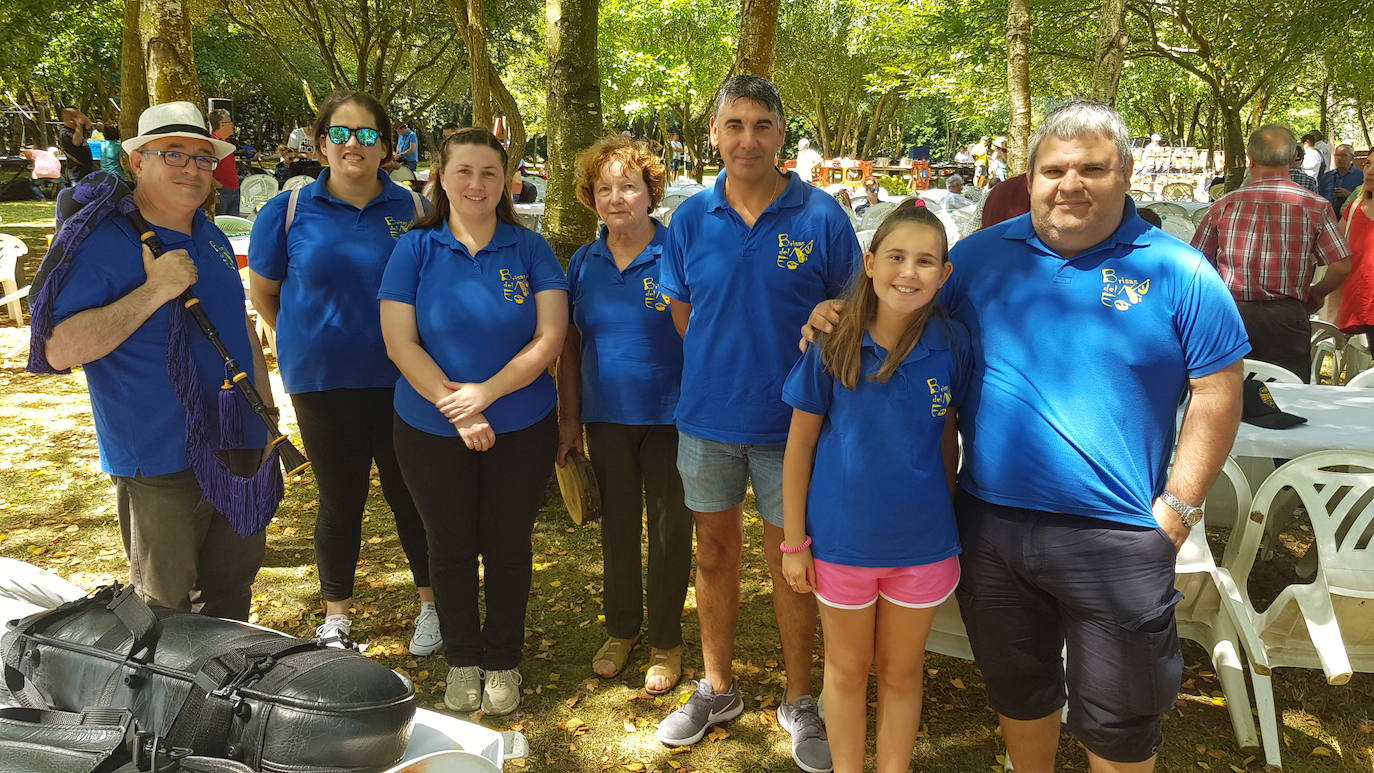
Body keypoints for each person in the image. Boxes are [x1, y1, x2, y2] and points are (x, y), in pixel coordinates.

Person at [804, 99, 1249, 773]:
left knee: (1121, 720)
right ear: (1031, 176)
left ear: (1125, 173)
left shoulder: (1179, 270)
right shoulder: (979, 260)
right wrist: (835, 310)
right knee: (1021, 690)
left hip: (1120, 534)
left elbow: (1219, 389)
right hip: (994, 529)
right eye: (1054, 169)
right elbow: (898, 303)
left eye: (1092, 169)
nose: (1070, 183)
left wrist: (1177, 511)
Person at [653, 74, 860, 773]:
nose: (747, 138)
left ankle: (801, 698)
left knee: (792, 564)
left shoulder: (821, 216)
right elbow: (686, 314)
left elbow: (851, 312)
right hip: (707, 417)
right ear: (714, 133)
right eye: (733, 124)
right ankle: (718, 686)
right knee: (712, 554)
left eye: (761, 125)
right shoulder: (689, 219)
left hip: (794, 428)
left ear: (780, 134)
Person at [36, 101, 276, 620]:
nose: (192, 168)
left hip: (237, 437)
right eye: (174, 154)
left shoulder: (209, 233)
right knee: (166, 608)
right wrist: (155, 290)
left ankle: (223, 698)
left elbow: (237, 330)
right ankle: (165, 702)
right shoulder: (102, 240)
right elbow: (59, 348)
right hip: (159, 454)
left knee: (232, 591)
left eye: (202, 157)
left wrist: (267, 418)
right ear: (137, 161)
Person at [379, 127, 567, 717]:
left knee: (509, 545)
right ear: (440, 178)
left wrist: (486, 392)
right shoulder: (414, 248)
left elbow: (551, 337)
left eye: (489, 173)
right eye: (463, 171)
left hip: (521, 424)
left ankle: (503, 658)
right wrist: (455, 406)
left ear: (507, 183)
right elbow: (399, 341)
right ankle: (462, 658)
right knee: (450, 544)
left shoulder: (530, 248)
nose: (476, 184)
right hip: (430, 428)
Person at [248, 91, 437, 653]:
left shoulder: (417, 211)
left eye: (366, 134)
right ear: (321, 141)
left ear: (387, 145)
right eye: (340, 133)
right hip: (323, 382)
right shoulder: (285, 211)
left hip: (405, 378)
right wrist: (313, 341)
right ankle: (336, 618)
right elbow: (266, 295)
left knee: (412, 496)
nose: (353, 144)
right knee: (340, 498)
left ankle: (433, 606)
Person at [781, 202, 966, 773]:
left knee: (903, 674)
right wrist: (794, 542)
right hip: (843, 545)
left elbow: (946, 438)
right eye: (896, 257)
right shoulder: (833, 341)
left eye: (925, 261)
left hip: (924, 547)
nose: (909, 273)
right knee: (844, 669)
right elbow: (800, 447)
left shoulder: (954, 344)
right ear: (868, 262)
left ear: (944, 274)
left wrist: (949, 517)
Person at [556, 135, 692, 696]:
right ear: (592, 198)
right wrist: (568, 425)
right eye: (604, 188)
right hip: (605, 418)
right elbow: (567, 345)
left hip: (672, 417)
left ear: (650, 192)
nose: (617, 198)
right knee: (615, 527)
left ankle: (666, 638)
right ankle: (621, 630)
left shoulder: (676, 252)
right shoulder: (583, 262)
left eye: (628, 186)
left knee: (668, 530)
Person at [1193, 124, 1351, 381]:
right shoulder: (1315, 206)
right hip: (1286, 317)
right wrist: (1318, 292)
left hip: (1231, 314)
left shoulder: (1224, 205)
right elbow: (1342, 265)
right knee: (1287, 398)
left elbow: (1195, 265)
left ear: (1250, 159)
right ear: (1292, 159)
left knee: (1228, 393)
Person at [1337, 181, 1374, 335]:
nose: (1370, 171)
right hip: (1359, 299)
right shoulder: (1355, 205)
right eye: (1367, 164)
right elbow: (1335, 247)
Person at [208, 109, 241, 216]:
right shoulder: (212, 144)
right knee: (221, 226)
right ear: (222, 125)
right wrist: (220, 186)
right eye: (230, 121)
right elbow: (204, 169)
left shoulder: (225, 142)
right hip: (222, 193)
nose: (232, 124)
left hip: (233, 190)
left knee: (234, 228)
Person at [1319, 143, 1363, 216]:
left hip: (1351, 219)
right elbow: (1319, 197)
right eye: (1337, 155)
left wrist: (1350, 196)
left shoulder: (1361, 176)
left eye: (1343, 155)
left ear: (1352, 157)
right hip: (1328, 218)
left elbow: (1367, 201)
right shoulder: (1327, 177)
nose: (1339, 158)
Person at [58, 107, 96, 186]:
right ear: (71, 120)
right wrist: (79, 125)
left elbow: (89, 127)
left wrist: (85, 120)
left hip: (87, 170)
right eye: (77, 116)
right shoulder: (64, 132)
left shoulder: (78, 130)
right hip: (76, 173)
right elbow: (76, 142)